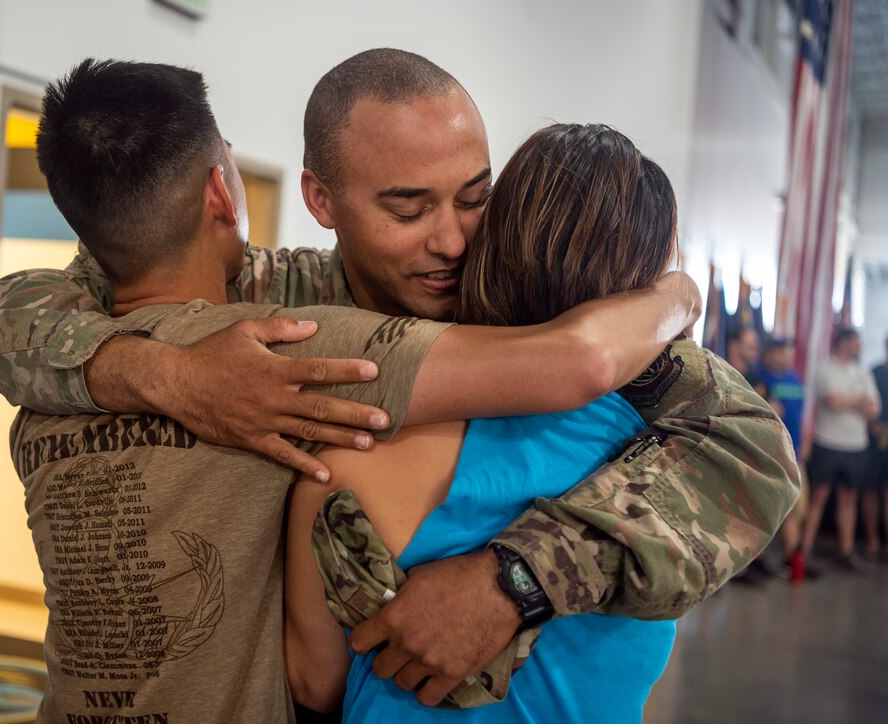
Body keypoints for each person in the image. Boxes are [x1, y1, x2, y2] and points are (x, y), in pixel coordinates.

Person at [0, 48, 798, 708]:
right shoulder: (270, 299)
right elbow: (9, 320)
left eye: (474, 199)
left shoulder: (530, 313)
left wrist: (523, 576)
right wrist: (171, 375)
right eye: (407, 209)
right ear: (322, 200)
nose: (450, 240)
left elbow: (754, 456)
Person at [285, 123, 695, 722]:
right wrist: (680, 296)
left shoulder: (355, 449)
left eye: (474, 204)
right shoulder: (670, 482)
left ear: (495, 240)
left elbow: (313, 682)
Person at [802, 327, 882, 571]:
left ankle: (846, 550)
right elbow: (832, 401)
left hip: (856, 445)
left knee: (849, 498)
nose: (860, 347)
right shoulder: (824, 369)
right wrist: (859, 402)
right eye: (856, 343)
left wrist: (851, 401)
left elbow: (874, 410)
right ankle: (803, 550)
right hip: (828, 442)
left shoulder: (862, 373)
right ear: (843, 343)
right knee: (819, 496)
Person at [757, 337, 816, 578]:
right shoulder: (760, 377)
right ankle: (757, 562)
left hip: (796, 453)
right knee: (764, 509)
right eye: (779, 351)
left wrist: (805, 441)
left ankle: (794, 560)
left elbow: (801, 414)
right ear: (769, 353)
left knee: (798, 509)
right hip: (771, 452)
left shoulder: (795, 378)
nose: (784, 356)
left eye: (787, 351)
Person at [861, 335, 888, 561]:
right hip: (874, 441)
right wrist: (874, 425)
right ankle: (872, 541)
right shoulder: (874, 373)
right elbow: (866, 403)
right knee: (870, 491)